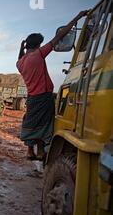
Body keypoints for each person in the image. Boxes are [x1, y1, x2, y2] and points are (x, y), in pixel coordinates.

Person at [16, 10, 89, 160]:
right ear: (38, 45)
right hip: (43, 97)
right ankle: (41, 152)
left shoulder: (19, 63)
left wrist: (21, 47)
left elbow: (20, 56)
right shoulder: (39, 54)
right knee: (45, 124)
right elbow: (60, 36)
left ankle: (30, 151)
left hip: (32, 98)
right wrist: (78, 16)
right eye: (40, 44)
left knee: (31, 122)